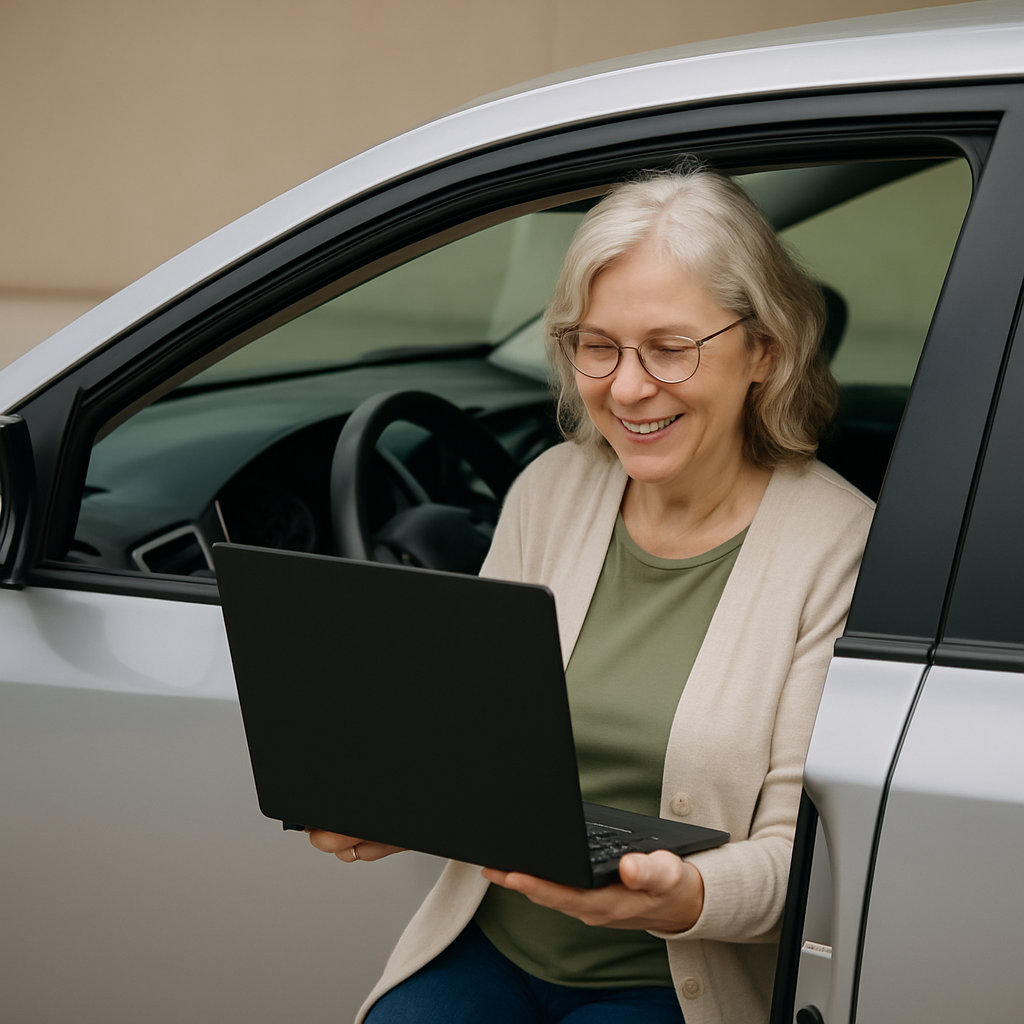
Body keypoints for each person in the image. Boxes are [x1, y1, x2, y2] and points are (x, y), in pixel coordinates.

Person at [309, 163, 874, 1024]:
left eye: (671, 346)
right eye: (598, 345)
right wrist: (399, 807)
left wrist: (682, 897)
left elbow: (804, 865)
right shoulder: (552, 487)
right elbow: (475, 740)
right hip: (495, 945)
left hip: (669, 985)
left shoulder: (837, 544)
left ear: (765, 350)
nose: (627, 387)